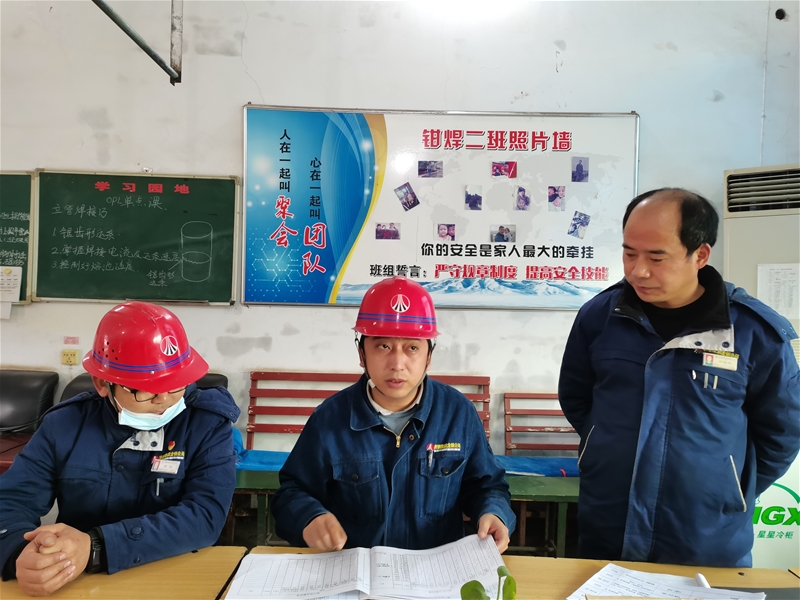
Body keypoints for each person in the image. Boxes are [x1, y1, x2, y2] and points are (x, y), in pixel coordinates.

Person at [558, 188, 800, 568]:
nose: (638, 271)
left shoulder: (753, 332)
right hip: (609, 522)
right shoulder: (600, 317)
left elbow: (782, 432)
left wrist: (727, 485)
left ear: (699, 255)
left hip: (706, 536)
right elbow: (577, 398)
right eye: (629, 253)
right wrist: (604, 448)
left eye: (656, 257)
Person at [0, 301, 240, 596]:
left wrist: (96, 547)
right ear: (103, 384)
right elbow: (10, 501)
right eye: (146, 390)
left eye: (176, 385)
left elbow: (205, 516)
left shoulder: (206, 424)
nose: (164, 400)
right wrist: (20, 552)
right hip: (78, 580)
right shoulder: (65, 425)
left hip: (177, 574)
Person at [272, 276, 515, 552]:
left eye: (412, 348)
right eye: (383, 346)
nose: (397, 364)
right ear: (361, 353)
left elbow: (487, 486)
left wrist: (494, 512)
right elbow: (291, 492)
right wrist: (309, 517)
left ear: (429, 356)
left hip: (433, 570)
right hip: (357, 570)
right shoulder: (330, 419)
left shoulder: (457, 413)